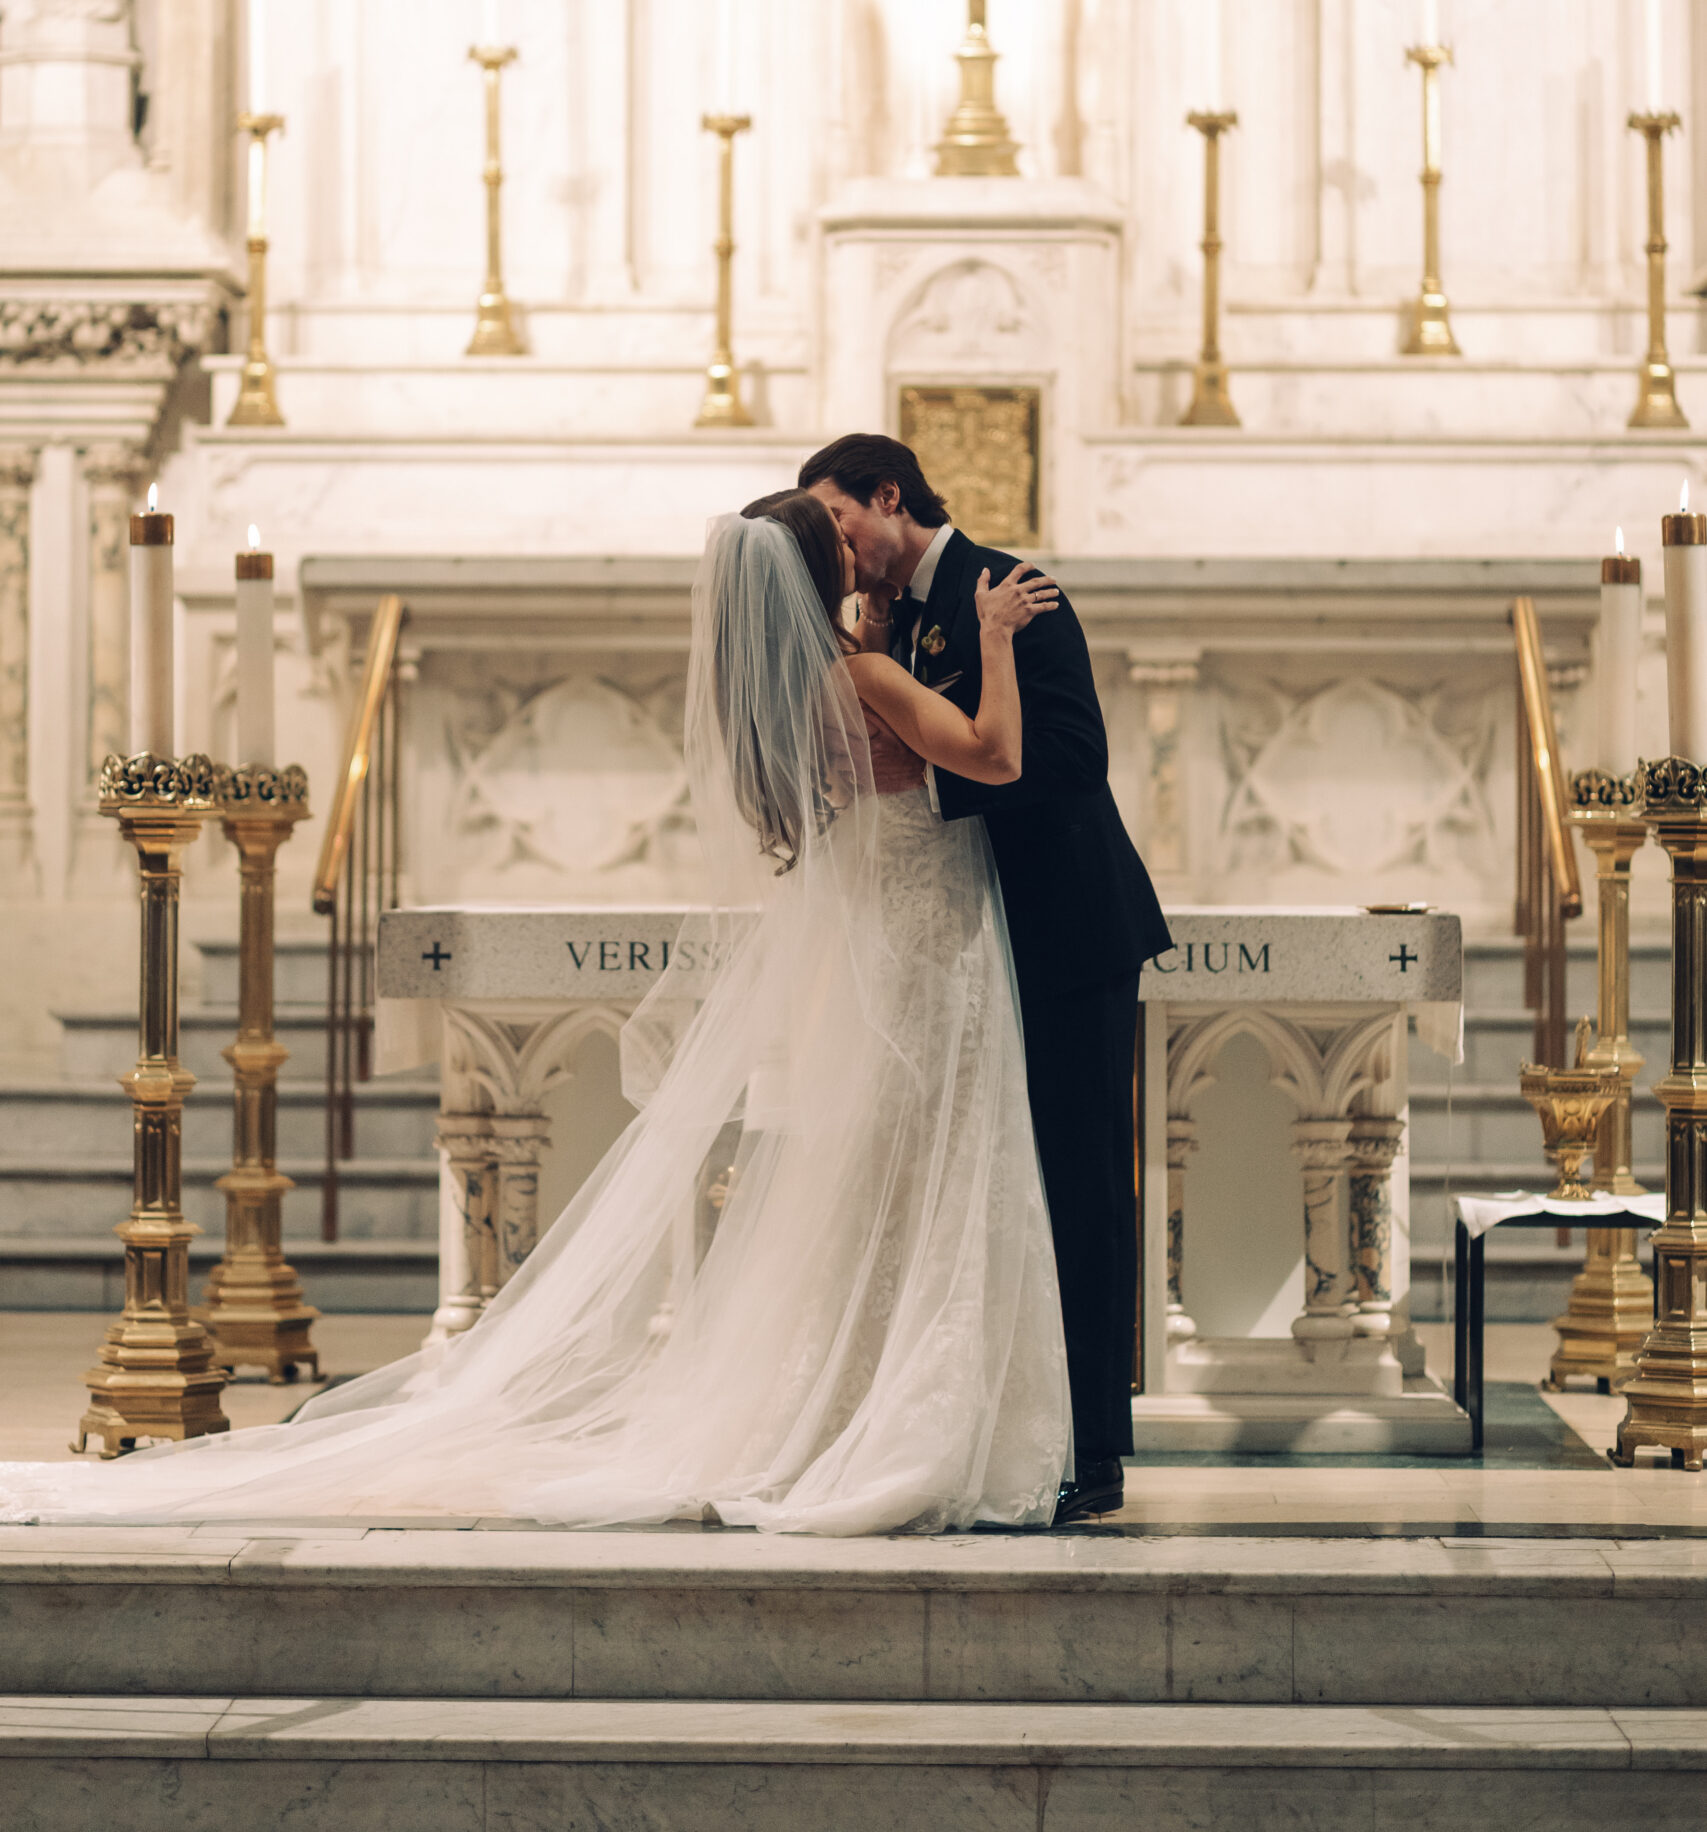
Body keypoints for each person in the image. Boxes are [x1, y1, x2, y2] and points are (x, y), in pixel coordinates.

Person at [1, 496, 1074, 1534]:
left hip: (882, 947)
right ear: (816, 572)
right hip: (931, 945)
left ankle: (848, 1406)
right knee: (929, 1179)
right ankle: (900, 1419)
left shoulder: (793, 692)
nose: (855, 544)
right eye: (837, 535)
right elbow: (994, 756)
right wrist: (989, 637)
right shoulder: (870, 671)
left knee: (882, 1188)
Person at [800, 433, 1172, 1523]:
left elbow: (1068, 756)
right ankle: (1004, 1423)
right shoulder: (885, 619)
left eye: (842, 519)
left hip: (1063, 937)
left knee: (1078, 1190)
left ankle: (1093, 1451)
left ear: (887, 493)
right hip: (968, 949)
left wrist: (930, 772)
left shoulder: (1010, 589)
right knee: (990, 1197)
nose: (840, 546)